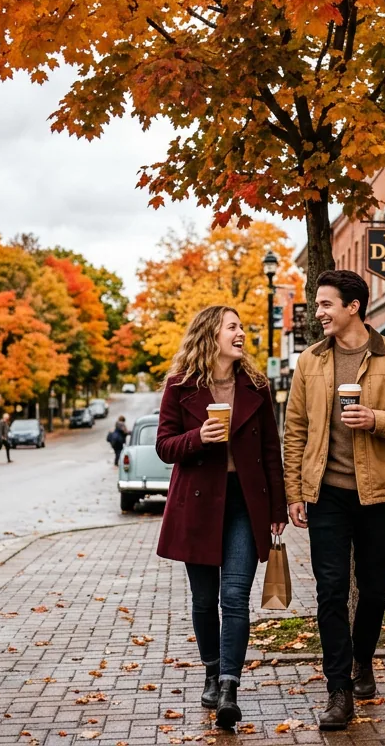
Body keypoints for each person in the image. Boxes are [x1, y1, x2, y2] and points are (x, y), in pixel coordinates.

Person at [283, 270, 385, 731]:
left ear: (354, 306)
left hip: (377, 492)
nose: (319, 312)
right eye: (317, 303)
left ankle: (363, 659)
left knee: (373, 585)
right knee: (329, 590)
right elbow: (295, 431)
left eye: (326, 304)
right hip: (325, 493)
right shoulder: (310, 361)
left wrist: (376, 420)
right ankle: (338, 690)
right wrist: (294, 492)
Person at [156, 305, 287, 730]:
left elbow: (271, 449)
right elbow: (164, 445)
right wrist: (198, 437)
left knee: (234, 597)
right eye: (233, 327)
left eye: (242, 327)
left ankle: (229, 686)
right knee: (202, 600)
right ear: (211, 334)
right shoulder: (180, 387)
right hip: (198, 504)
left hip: (245, 504)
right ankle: (212, 669)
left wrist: (277, 508)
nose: (241, 333)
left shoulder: (256, 386)